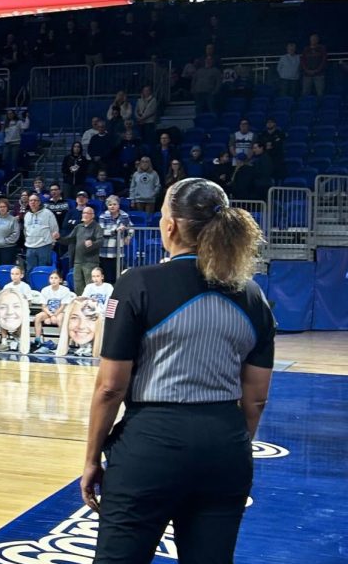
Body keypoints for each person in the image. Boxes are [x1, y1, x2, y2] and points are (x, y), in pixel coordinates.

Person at [82, 177, 274, 563]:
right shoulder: (252, 295)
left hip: (151, 443)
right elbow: (255, 398)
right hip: (225, 445)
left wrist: (91, 459)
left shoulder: (138, 283)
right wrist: (230, 442)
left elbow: (110, 388)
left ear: (169, 226)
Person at [31, 271, 75, 353]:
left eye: (55, 278)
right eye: (51, 278)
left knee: (59, 319)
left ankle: (64, 342)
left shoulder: (65, 290)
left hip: (60, 312)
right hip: (49, 312)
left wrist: (54, 315)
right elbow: (43, 306)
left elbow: (63, 306)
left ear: (60, 280)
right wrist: (51, 315)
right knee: (38, 317)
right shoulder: (45, 290)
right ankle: (38, 340)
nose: (53, 280)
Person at [99, 196, 133, 284]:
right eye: (110, 205)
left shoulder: (124, 216)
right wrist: (115, 231)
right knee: (107, 277)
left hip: (119, 251)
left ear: (118, 205)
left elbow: (131, 228)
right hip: (106, 252)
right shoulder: (103, 216)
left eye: (114, 204)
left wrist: (128, 236)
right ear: (107, 206)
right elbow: (101, 231)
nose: (112, 206)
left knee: (118, 276)